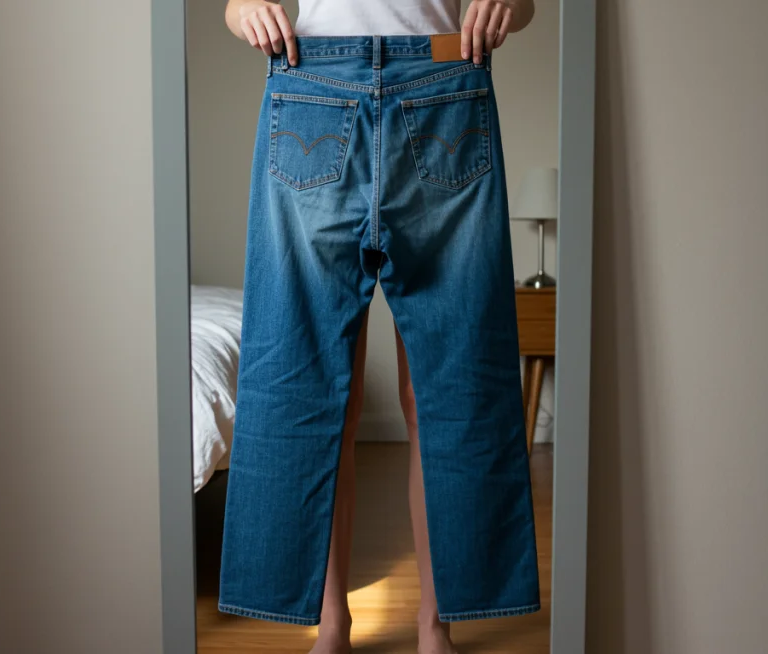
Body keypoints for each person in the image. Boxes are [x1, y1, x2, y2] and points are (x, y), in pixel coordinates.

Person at [218, 2, 538, 653]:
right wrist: (243, 7)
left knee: (450, 392)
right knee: (315, 393)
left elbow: (520, 5)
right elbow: (235, 7)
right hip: (314, 87)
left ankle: (434, 623)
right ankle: (331, 622)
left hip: (445, 86)